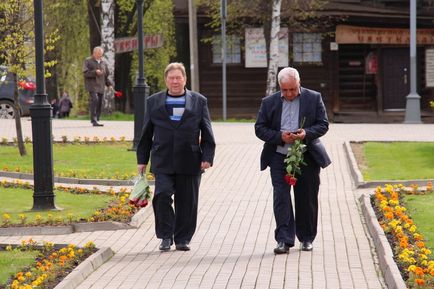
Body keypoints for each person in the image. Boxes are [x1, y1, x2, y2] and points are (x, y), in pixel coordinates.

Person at [136, 62, 216, 252]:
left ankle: (182, 239)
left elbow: (207, 131)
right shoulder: (153, 102)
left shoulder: (199, 101)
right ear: (166, 80)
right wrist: (142, 160)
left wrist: (208, 157)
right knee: (162, 196)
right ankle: (165, 235)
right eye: (171, 78)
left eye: (178, 78)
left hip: (190, 159)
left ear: (185, 79)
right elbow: (146, 133)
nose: (175, 81)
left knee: (187, 201)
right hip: (163, 159)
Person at [255, 67, 331, 254]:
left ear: (299, 83)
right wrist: (280, 136)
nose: (289, 94)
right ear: (280, 87)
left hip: (306, 157)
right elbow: (259, 128)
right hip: (279, 157)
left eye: (293, 89)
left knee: (306, 198)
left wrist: (306, 134)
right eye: (285, 90)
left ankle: (306, 238)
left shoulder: (313, 98)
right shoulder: (269, 102)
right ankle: (283, 240)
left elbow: (323, 124)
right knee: (281, 198)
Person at [83, 46, 113, 126]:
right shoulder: (88, 61)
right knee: (95, 99)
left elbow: (106, 76)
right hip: (92, 86)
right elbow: (85, 73)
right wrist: (95, 72)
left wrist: (109, 84)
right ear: (94, 53)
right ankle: (94, 120)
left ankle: (97, 118)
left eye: (101, 54)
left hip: (101, 86)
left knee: (99, 102)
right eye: (99, 54)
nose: (100, 55)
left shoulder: (104, 63)